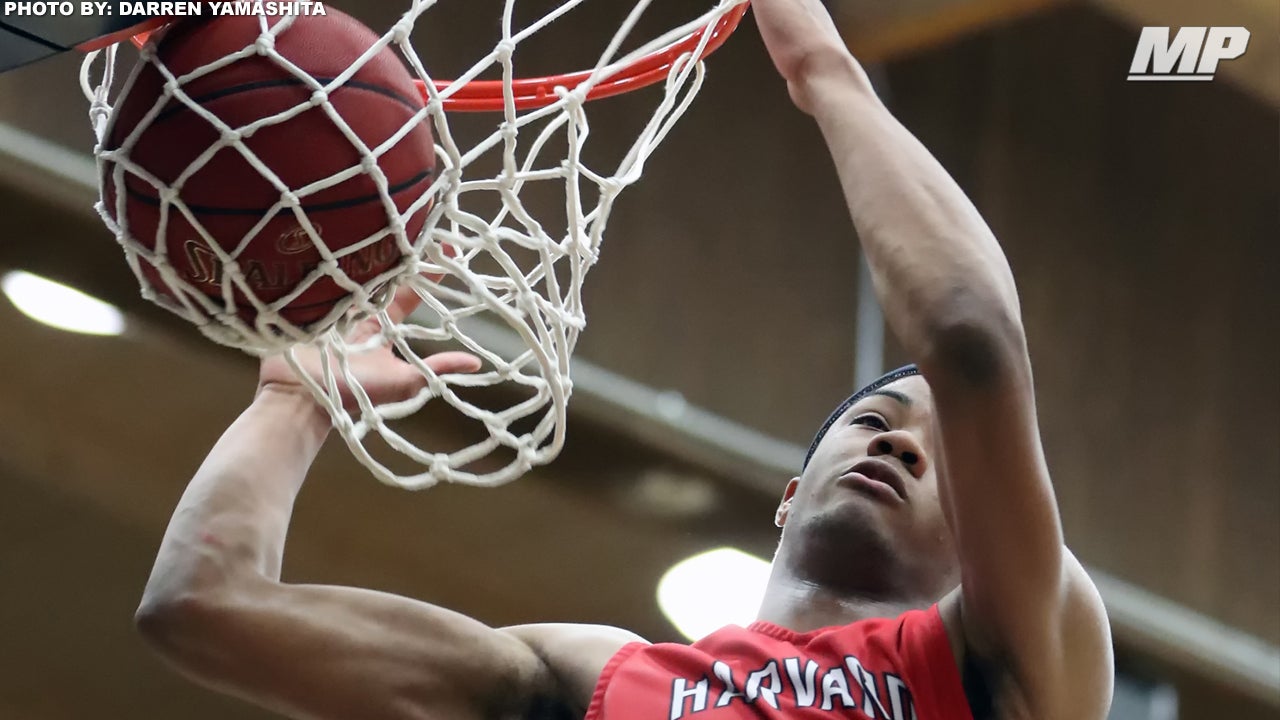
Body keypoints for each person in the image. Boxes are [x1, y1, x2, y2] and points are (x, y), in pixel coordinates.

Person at [134, 1, 1115, 718]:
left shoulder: (1012, 662)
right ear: (787, 492)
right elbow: (203, 608)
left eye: (942, 453)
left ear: (991, 535)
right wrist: (295, 397)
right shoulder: (595, 681)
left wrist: (821, 68)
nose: (902, 446)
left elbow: (970, 343)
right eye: (876, 420)